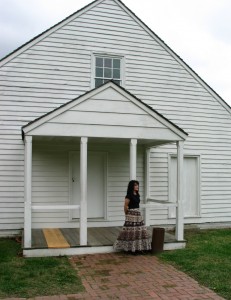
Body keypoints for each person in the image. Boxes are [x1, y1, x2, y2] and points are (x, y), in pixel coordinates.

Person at [114, 180, 151, 253]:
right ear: (132, 186)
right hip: (131, 214)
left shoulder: (137, 194)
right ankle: (129, 249)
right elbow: (125, 206)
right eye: (135, 185)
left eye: (137, 185)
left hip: (138, 214)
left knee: (139, 230)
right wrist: (126, 215)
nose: (137, 186)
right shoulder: (129, 195)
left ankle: (138, 248)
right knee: (131, 232)